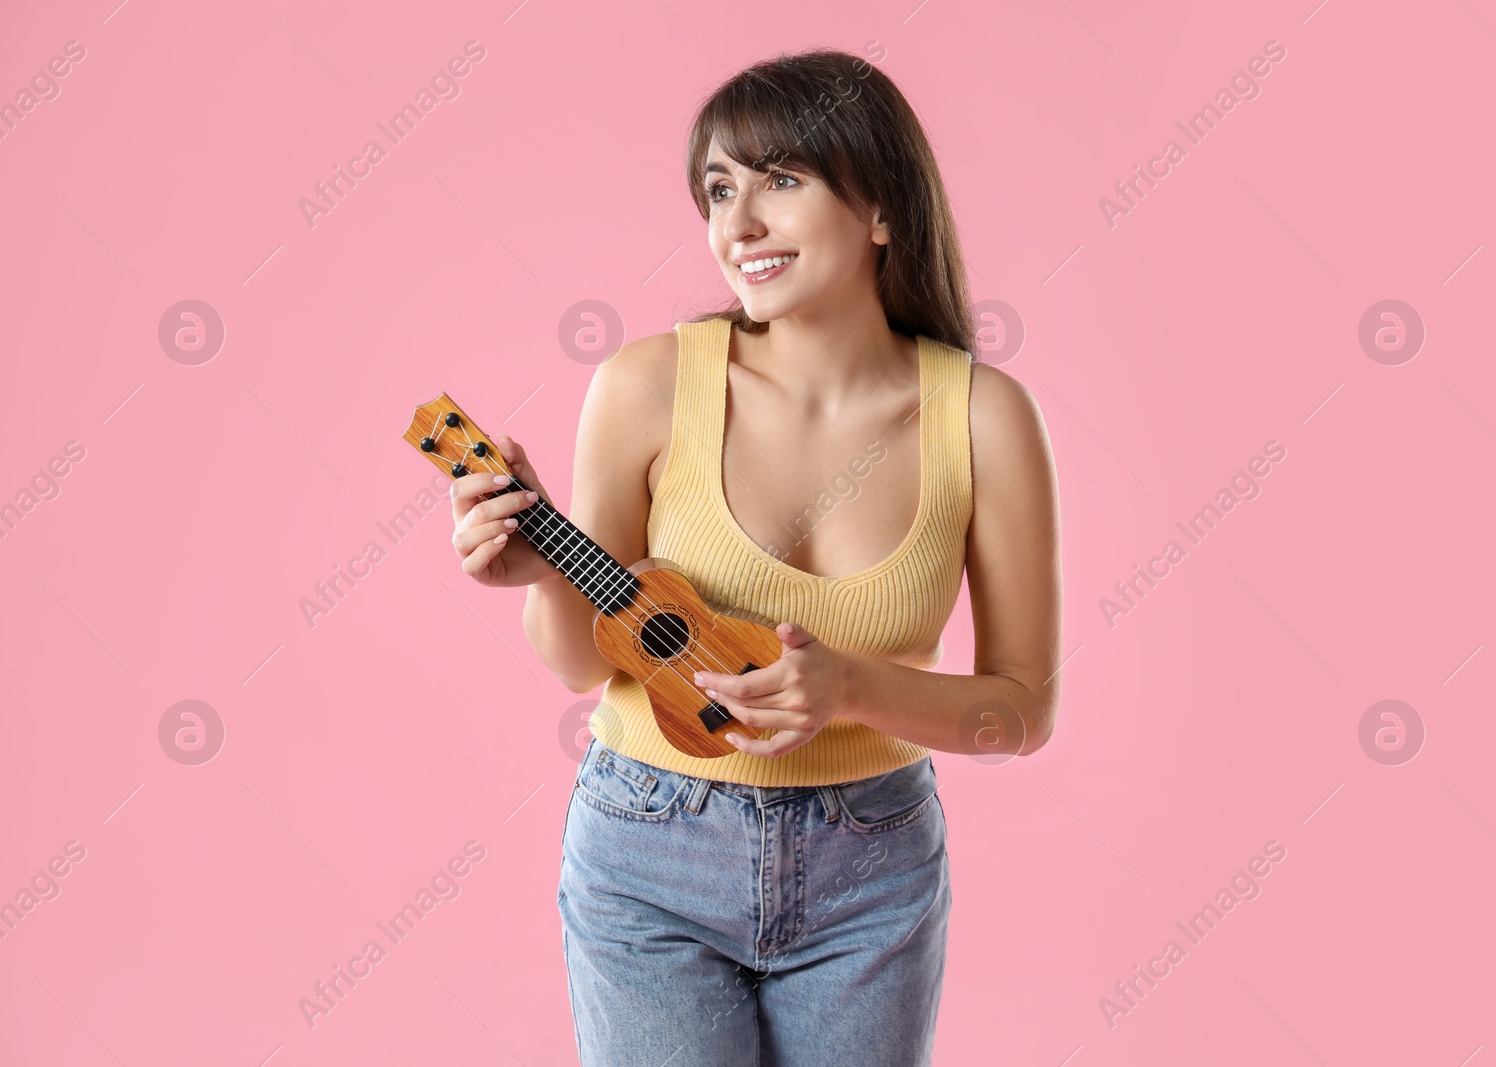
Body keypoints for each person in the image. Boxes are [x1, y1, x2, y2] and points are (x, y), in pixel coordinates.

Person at [446, 47, 1061, 1067]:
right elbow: (580, 662)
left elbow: (1020, 710)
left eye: (780, 179)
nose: (737, 224)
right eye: (718, 188)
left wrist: (854, 687)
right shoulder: (644, 386)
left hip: (871, 864)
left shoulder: (984, 419)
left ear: (881, 209)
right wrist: (544, 562)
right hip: (648, 846)